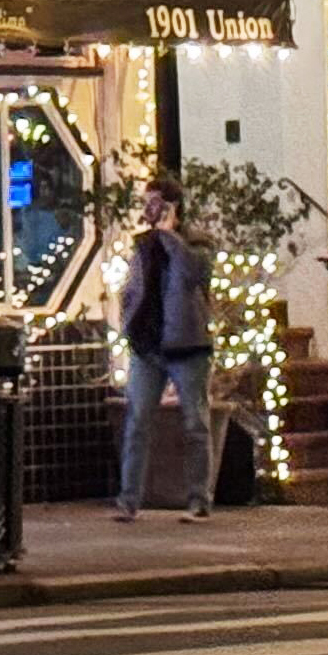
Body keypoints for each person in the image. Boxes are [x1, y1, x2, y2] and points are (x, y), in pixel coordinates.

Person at [113, 175, 215, 524]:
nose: (149, 209)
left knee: (195, 424)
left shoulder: (196, 243)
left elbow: (192, 274)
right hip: (148, 346)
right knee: (137, 420)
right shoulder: (143, 245)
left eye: (156, 202)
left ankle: (199, 500)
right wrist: (128, 321)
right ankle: (129, 501)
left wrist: (170, 235)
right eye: (147, 202)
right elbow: (134, 288)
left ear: (174, 207)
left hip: (188, 346)